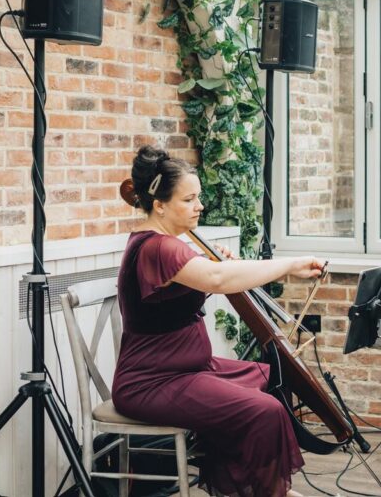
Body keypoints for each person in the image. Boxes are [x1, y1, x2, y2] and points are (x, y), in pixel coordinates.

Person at [112, 145, 327, 497]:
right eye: (189, 199)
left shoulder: (168, 244)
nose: (200, 206)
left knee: (271, 376)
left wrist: (225, 267)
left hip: (187, 369)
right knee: (265, 410)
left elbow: (213, 277)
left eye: (198, 197)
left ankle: (245, 484)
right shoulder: (159, 247)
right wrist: (288, 264)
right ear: (160, 204)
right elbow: (216, 280)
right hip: (153, 380)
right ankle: (271, 492)